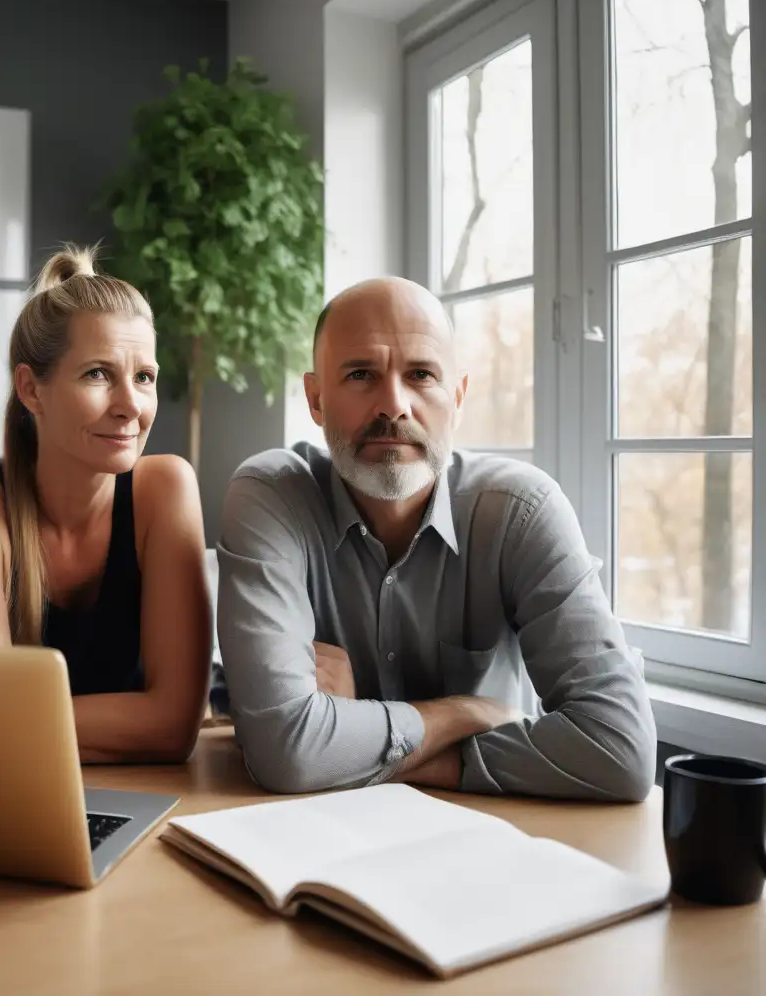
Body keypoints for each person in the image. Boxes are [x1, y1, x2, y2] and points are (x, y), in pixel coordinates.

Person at [216, 276, 656, 800]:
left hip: (499, 840)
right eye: (361, 374)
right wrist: (463, 713)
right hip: (321, 839)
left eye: (420, 374)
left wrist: (344, 739)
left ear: (458, 396)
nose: (393, 406)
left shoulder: (521, 512)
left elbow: (620, 752)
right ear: (316, 399)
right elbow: (286, 753)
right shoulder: (272, 496)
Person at [0, 244, 212, 763]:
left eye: (144, 377)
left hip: (153, 796)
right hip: (11, 795)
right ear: (31, 391)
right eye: (98, 374)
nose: (131, 406)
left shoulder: (165, 488)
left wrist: (11, 722)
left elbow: (174, 728)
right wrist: (133, 722)